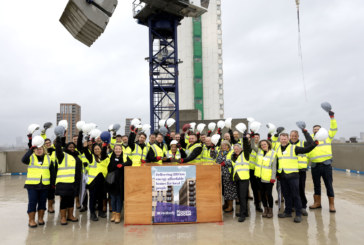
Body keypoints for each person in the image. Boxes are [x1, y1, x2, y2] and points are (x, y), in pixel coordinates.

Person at [276, 132, 317, 223]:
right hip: (282, 176)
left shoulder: (294, 148)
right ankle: (288, 212)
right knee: (286, 195)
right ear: (280, 140)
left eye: (285, 138)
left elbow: (306, 150)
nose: (283, 140)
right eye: (282, 139)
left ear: (288, 139)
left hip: (293, 175)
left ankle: (298, 214)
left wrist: (315, 144)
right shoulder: (278, 148)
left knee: (296, 195)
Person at [308, 109, 338, 212]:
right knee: (316, 185)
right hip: (315, 165)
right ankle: (317, 203)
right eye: (314, 129)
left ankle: (331, 205)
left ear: (321, 130)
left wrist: (332, 117)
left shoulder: (327, 137)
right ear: (313, 131)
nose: (316, 130)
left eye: (317, 129)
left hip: (326, 165)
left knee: (328, 184)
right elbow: (306, 151)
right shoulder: (310, 139)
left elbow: (334, 128)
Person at [21, 139, 53, 228]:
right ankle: (31, 220)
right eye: (37, 149)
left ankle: (40, 218)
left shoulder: (48, 158)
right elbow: (23, 160)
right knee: (32, 202)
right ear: (34, 150)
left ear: (43, 150)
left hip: (45, 184)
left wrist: (53, 184)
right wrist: (31, 148)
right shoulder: (30, 157)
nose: (39, 150)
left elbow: (52, 171)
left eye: (40, 149)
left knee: (42, 202)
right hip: (32, 185)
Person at [54, 136, 82, 225]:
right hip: (64, 182)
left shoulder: (77, 155)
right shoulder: (62, 155)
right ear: (66, 148)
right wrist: (59, 138)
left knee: (71, 200)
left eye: (73, 147)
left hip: (74, 182)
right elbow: (58, 149)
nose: (72, 148)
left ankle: (70, 215)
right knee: (64, 200)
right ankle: (63, 217)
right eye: (70, 147)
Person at [103, 143, 132, 223]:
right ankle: (114, 213)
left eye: (119, 149)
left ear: (121, 150)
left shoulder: (125, 156)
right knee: (112, 198)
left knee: (119, 199)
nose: (118, 150)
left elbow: (130, 162)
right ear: (114, 150)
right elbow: (106, 164)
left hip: (120, 181)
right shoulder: (110, 157)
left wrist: (122, 164)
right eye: (116, 149)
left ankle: (118, 214)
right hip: (111, 181)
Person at [252, 139, 277, 218]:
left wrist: (273, 177)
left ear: (268, 144)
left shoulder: (273, 153)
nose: (263, 146)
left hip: (268, 178)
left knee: (269, 194)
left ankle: (270, 210)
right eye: (262, 145)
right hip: (259, 177)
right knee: (262, 194)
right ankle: (265, 209)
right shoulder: (259, 151)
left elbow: (274, 167)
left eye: (264, 144)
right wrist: (252, 137)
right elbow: (252, 146)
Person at [289, 130, 311, 216]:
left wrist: (305, 133)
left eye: (295, 135)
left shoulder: (303, 143)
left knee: (301, 189)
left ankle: (303, 206)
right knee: (291, 189)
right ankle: (293, 205)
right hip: (291, 170)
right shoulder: (287, 145)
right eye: (292, 135)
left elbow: (311, 143)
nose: (294, 137)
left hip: (301, 170)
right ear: (290, 136)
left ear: (298, 136)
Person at [231, 136, 251, 222]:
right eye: (235, 149)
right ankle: (245, 211)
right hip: (237, 178)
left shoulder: (245, 154)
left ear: (241, 149)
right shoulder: (233, 156)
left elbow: (247, 147)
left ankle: (242, 215)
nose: (236, 150)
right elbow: (234, 168)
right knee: (240, 196)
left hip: (244, 178)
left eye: (237, 149)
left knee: (242, 197)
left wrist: (245, 140)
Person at [215, 140, 236, 213]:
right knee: (224, 191)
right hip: (221, 174)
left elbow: (234, 161)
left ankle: (230, 206)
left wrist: (225, 163)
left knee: (229, 190)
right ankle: (226, 204)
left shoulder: (232, 152)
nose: (223, 146)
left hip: (228, 174)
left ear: (228, 146)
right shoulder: (219, 152)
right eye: (222, 145)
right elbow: (217, 160)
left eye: (225, 145)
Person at [248, 132, 263, 212]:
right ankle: (256, 203)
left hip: (258, 171)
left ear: (259, 138)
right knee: (253, 188)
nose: (256, 138)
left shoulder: (261, 147)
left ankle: (258, 204)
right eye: (255, 137)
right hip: (249, 170)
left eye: (257, 137)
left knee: (259, 188)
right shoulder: (248, 146)